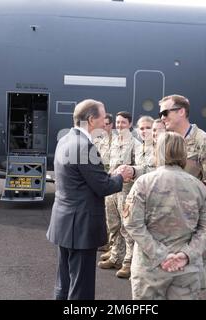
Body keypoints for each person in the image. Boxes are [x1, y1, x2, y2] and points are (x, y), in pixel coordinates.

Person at [46, 99, 133, 300]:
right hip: (81, 226)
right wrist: (120, 176)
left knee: (64, 282)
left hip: (64, 222)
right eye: (103, 117)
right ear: (91, 119)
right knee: (81, 288)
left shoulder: (66, 139)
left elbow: (83, 179)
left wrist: (106, 176)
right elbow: (102, 186)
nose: (106, 121)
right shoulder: (84, 146)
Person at [123, 132, 206, 300]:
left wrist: (160, 254)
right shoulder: (199, 187)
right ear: (184, 153)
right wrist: (186, 254)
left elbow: (133, 224)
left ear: (157, 152)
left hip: (150, 267)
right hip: (186, 269)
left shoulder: (143, 183)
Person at [98, 111, 141, 279]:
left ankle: (128, 263)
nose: (119, 125)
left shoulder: (135, 144)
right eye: (117, 122)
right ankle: (116, 256)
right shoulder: (114, 142)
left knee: (126, 228)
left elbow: (139, 167)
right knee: (113, 224)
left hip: (126, 191)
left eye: (123, 122)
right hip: (111, 189)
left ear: (130, 124)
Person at [93, 113, 114, 252]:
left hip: (112, 181)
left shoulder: (118, 141)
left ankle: (113, 248)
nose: (104, 127)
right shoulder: (99, 141)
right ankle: (108, 244)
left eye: (106, 124)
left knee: (113, 218)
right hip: (101, 180)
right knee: (104, 214)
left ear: (111, 125)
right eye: (103, 124)